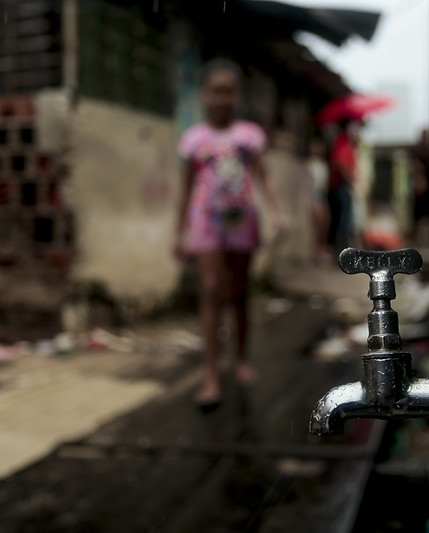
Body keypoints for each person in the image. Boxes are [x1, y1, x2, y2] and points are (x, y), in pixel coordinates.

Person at [175, 58, 282, 408]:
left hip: (242, 220)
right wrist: (179, 232)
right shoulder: (194, 139)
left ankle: (241, 360)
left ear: (238, 96)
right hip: (206, 221)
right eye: (216, 91)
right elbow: (186, 187)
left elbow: (263, 177)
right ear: (205, 95)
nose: (222, 98)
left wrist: (276, 214)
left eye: (229, 92)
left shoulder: (249, 136)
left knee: (239, 294)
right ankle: (210, 376)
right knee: (209, 291)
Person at [327, 119, 360, 253]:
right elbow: (339, 163)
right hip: (341, 185)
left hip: (344, 184)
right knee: (343, 219)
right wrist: (349, 178)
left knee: (345, 218)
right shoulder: (341, 142)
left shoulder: (349, 144)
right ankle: (341, 250)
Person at [305, 138, 330, 260]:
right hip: (313, 197)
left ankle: (320, 248)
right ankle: (314, 250)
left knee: (324, 222)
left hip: (321, 196)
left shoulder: (323, 165)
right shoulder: (309, 165)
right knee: (317, 223)